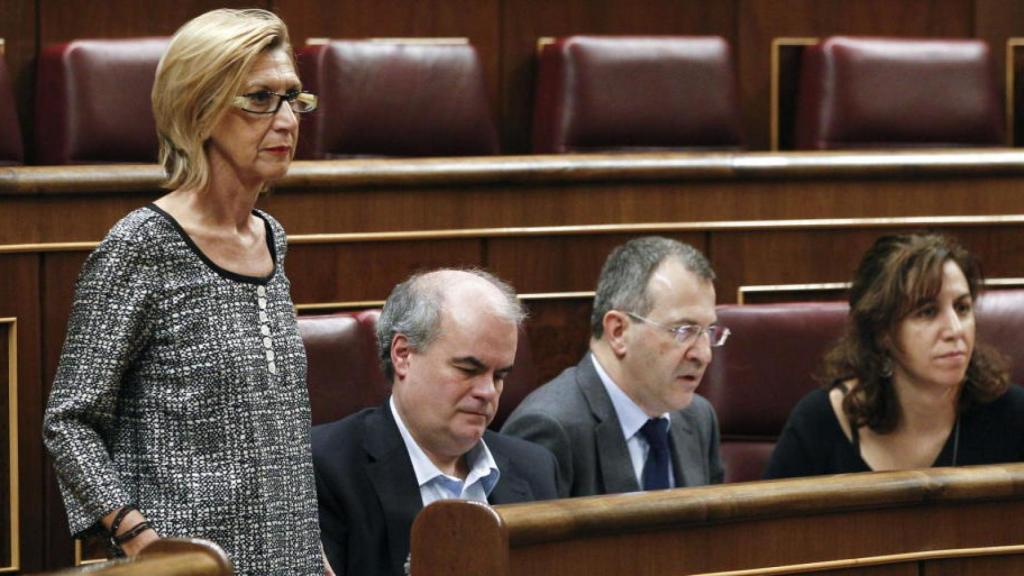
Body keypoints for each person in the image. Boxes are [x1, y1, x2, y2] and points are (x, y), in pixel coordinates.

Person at [42, 9, 324, 573]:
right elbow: (69, 421)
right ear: (199, 111)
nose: (287, 119)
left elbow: (280, 429)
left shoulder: (272, 236)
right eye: (259, 99)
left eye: (293, 97)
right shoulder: (142, 246)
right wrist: (142, 542)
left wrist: (311, 553)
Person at [312, 269, 560, 576]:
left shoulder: (536, 468)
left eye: (500, 376)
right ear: (403, 355)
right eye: (469, 369)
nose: (487, 392)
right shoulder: (324, 469)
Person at [764, 234, 1024, 479]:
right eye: (927, 312)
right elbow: (771, 525)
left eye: (962, 308)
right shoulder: (819, 422)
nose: (956, 330)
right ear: (882, 332)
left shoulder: (1013, 414)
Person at [502, 236, 726, 497]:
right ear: (618, 332)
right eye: (684, 330)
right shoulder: (550, 428)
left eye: (708, 331)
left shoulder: (698, 418)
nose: (704, 354)